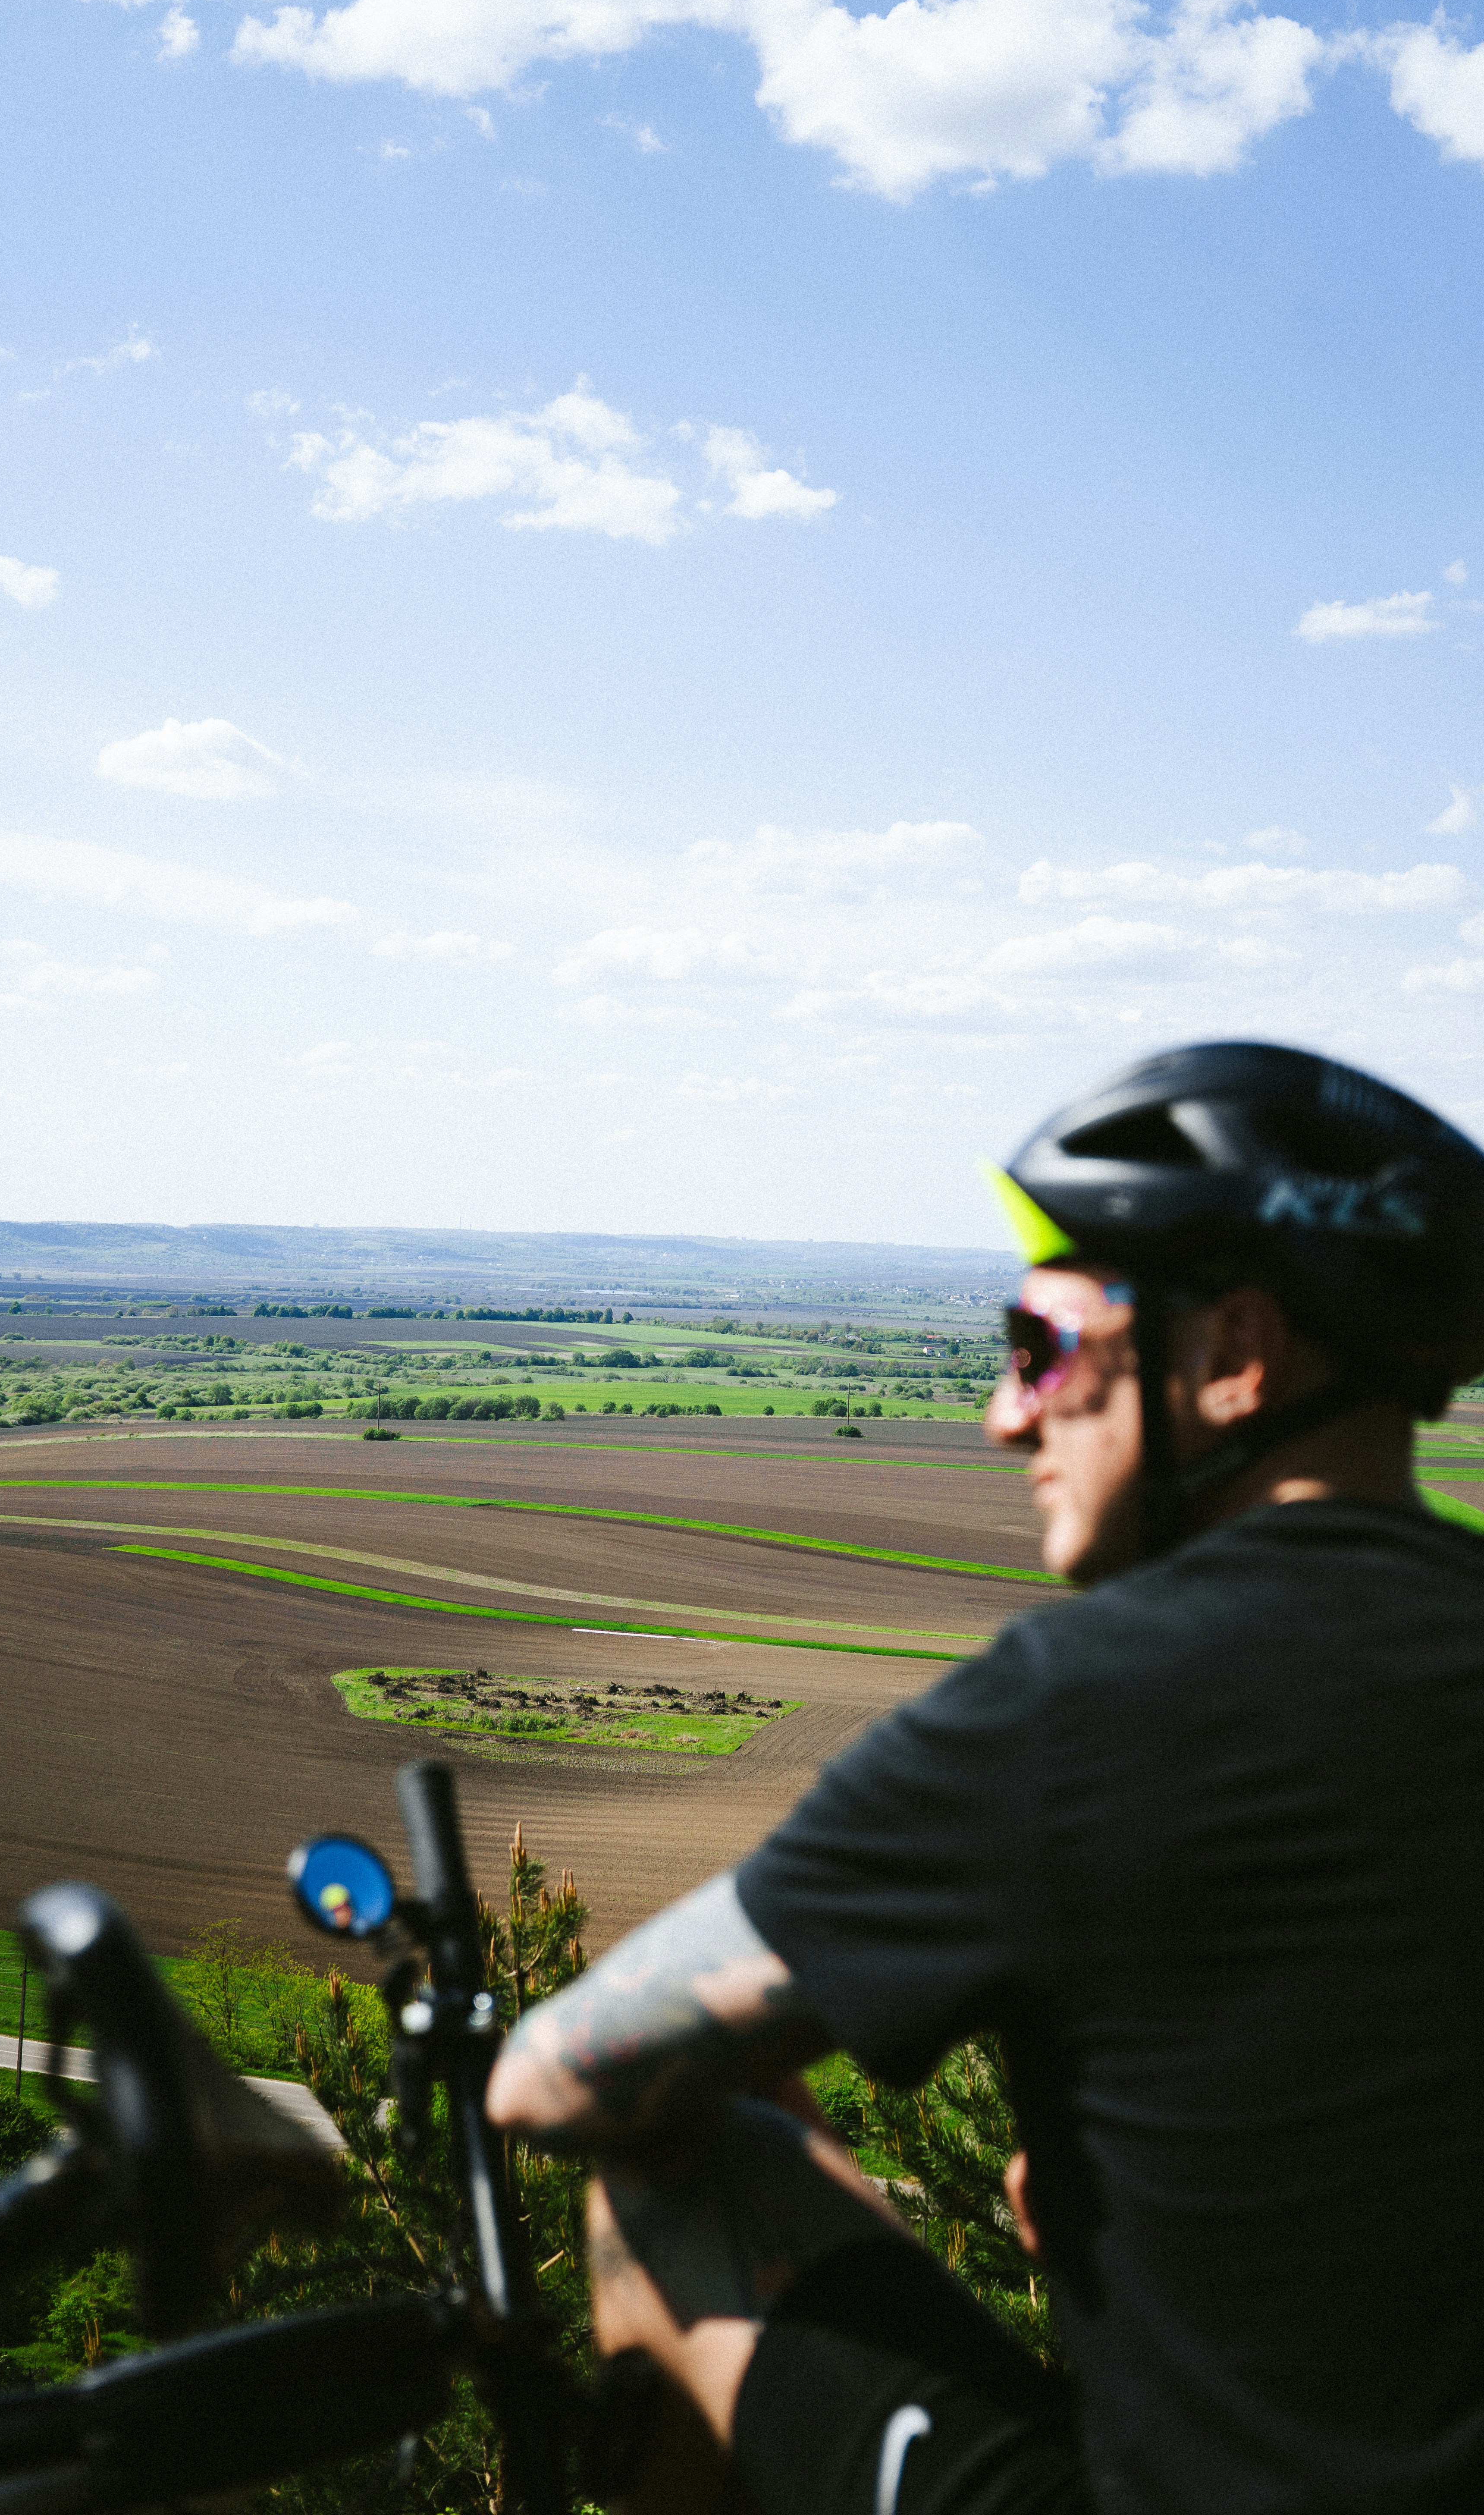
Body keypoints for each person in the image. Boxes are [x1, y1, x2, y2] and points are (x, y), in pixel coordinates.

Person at [487, 1041, 1484, 2515]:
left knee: (675, 2173)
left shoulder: (1077, 1707)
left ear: (1233, 1356)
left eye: (1042, 1349)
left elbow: (554, 2075)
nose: (1005, 1417)